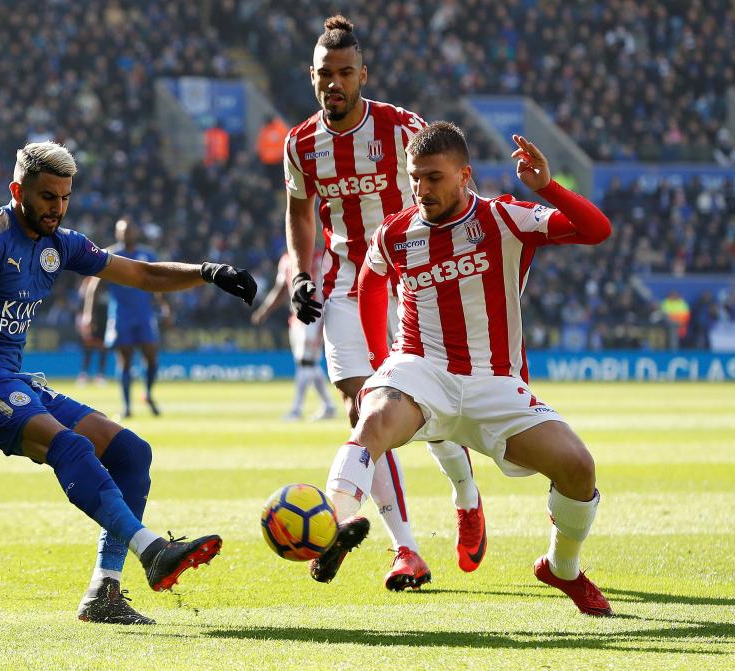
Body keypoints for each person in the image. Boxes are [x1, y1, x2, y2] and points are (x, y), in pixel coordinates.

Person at [0, 141, 257, 625]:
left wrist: (208, 272)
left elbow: (142, 274)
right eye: (47, 197)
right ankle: (152, 550)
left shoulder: (60, 244)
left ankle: (104, 592)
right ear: (17, 190)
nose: (57, 209)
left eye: (64, 198)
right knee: (70, 446)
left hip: (10, 377)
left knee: (130, 451)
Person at [322, 122, 614, 616]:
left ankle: (561, 568)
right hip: (422, 369)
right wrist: (379, 365)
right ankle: (332, 524)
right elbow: (370, 283)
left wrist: (546, 188)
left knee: (578, 469)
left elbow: (597, 230)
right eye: (415, 178)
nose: (422, 189)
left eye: (434, 178)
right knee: (370, 419)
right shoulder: (396, 232)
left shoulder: (505, 218)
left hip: (493, 381)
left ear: (464, 176)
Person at [282, 14, 484, 591]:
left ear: (363, 74)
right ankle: (407, 550)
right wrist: (301, 272)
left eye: (346, 72)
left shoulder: (400, 130)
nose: (335, 83)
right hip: (346, 281)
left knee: (432, 408)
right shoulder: (299, 144)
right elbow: (299, 212)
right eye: (325, 74)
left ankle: (466, 499)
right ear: (312, 77)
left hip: (411, 279)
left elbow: (448, 186)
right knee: (362, 409)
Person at [83, 218, 171, 418]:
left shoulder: (146, 254)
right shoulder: (110, 255)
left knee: (151, 356)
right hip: (121, 316)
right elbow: (94, 287)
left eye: (129, 230)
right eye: (122, 231)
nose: (126, 234)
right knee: (125, 361)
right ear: (117, 233)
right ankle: (126, 406)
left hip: (144, 314)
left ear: (135, 232)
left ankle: (148, 393)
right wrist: (89, 314)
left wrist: (164, 306)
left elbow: (157, 283)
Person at [251, 251, 337, 421]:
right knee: (307, 363)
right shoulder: (286, 259)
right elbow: (281, 289)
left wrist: (326, 318)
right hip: (297, 317)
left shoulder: (320, 258)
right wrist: (264, 311)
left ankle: (297, 410)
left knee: (306, 363)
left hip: (315, 314)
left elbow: (329, 288)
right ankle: (328, 406)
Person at [75, 274, 108, 386]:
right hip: (90, 320)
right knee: (88, 347)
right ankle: (84, 374)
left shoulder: (108, 283)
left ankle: (100, 375)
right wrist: (84, 320)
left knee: (103, 348)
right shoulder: (87, 283)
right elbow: (80, 305)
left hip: (104, 320)